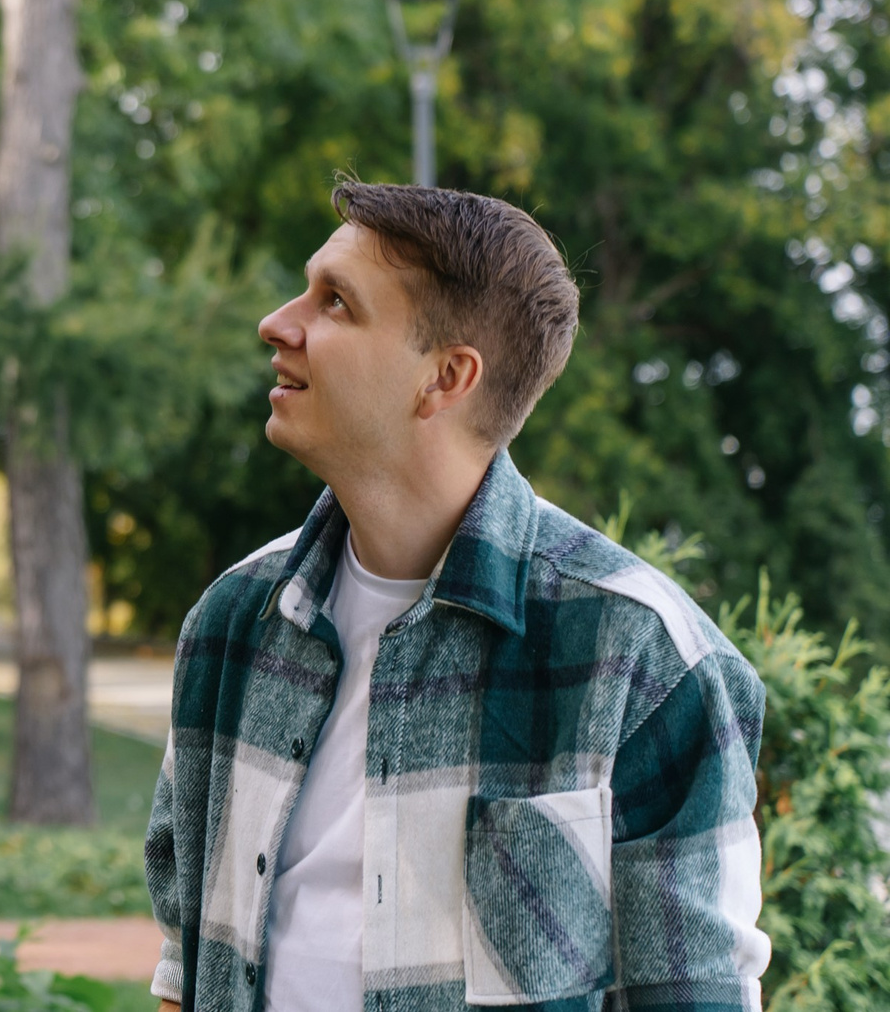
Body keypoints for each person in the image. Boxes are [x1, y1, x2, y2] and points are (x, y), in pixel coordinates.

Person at [146, 183, 770, 1012]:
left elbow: (695, 997)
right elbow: (185, 963)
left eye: (335, 303)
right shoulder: (232, 623)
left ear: (445, 377)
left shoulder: (646, 660)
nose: (278, 322)